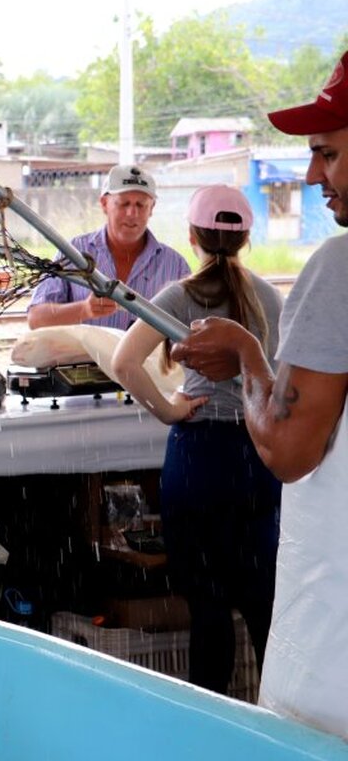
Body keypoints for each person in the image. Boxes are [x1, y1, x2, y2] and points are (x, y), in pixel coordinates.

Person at [169, 52, 348, 738]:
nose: (311, 176)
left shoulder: (338, 269)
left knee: (209, 603)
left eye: (328, 154)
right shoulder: (279, 290)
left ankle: (207, 733)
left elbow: (288, 448)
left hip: (334, 652)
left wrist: (246, 355)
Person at [111, 185, 283, 696]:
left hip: (199, 457)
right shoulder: (271, 298)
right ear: (247, 239)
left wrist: (168, 410)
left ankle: (210, 721)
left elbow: (123, 363)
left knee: (207, 608)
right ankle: (279, 718)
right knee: (263, 604)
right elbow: (280, 381)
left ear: (191, 236)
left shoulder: (179, 296)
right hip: (257, 454)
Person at [27, 164, 190, 330]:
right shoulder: (74, 253)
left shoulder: (175, 265)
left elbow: (191, 326)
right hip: (84, 349)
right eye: (123, 204)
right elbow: (36, 318)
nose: (132, 213)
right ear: (104, 204)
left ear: (152, 208)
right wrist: (84, 309)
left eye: (141, 205)